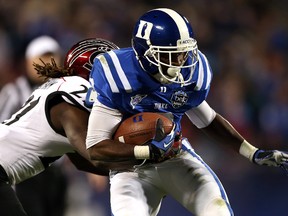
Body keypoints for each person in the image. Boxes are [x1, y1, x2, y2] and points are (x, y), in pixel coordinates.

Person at [85, 8, 288, 216]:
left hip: (175, 156)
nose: (181, 61)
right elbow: (96, 148)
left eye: (184, 53)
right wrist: (146, 151)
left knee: (218, 211)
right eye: (172, 55)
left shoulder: (191, 74)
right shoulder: (117, 74)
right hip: (129, 170)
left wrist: (252, 152)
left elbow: (207, 119)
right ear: (145, 53)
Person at [0, 38, 119, 216]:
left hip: (44, 173)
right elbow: (95, 153)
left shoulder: (57, 89)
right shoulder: (65, 101)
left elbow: (80, 160)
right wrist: (144, 158)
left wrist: (126, 171)